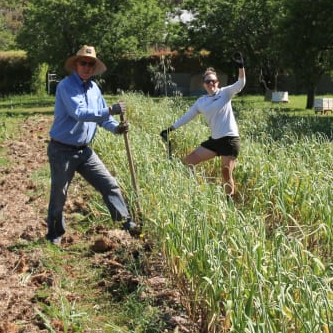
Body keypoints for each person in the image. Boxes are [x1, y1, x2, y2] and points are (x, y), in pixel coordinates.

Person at [46, 45, 138, 245]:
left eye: (91, 64)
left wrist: (116, 128)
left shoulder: (95, 88)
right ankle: (55, 234)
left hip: (84, 151)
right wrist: (110, 110)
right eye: (83, 63)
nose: (87, 67)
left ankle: (125, 223)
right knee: (59, 193)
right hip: (62, 150)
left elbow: (101, 117)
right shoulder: (66, 86)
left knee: (109, 184)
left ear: (94, 67)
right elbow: (79, 113)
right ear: (76, 65)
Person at [160, 53, 246, 198]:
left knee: (225, 173)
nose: (211, 84)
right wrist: (170, 129)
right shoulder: (201, 101)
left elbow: (241, 83)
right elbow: (187, 116)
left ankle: (230, 205)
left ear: (217, 82)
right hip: (215, 140)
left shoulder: (225, 93)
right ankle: (197, 193)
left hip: (229, 139)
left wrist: (241, 67)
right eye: (208, 82)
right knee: (189, 161)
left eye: (213, 81)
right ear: (204, 85)